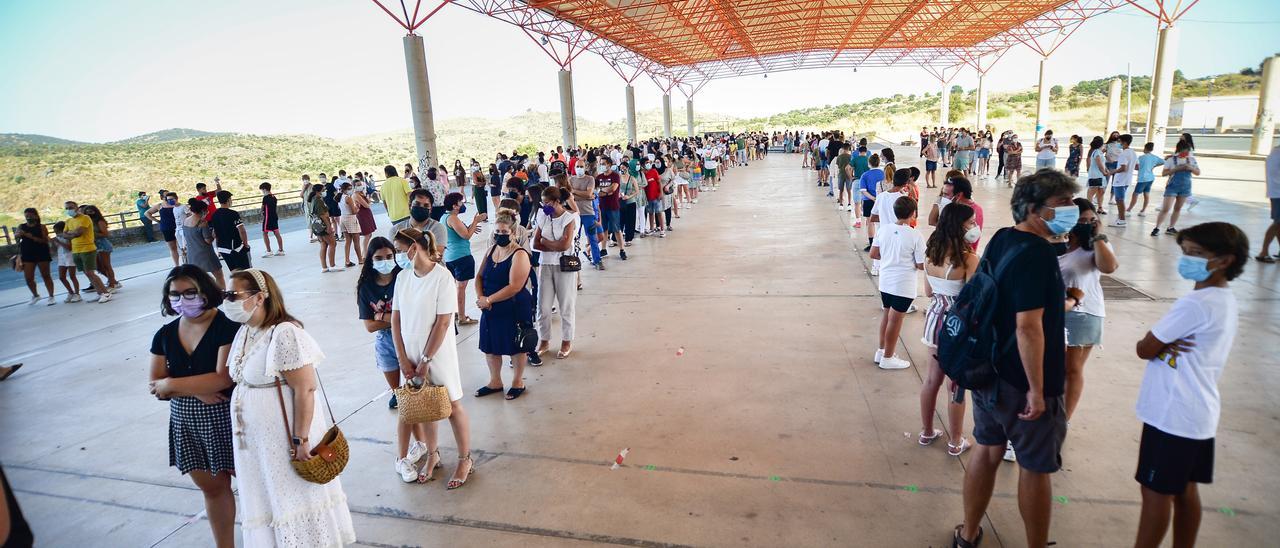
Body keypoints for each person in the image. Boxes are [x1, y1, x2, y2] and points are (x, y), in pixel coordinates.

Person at [954, 170, 1081, 548]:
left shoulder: (1002, 239)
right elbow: (1028, 327)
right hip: (1024, 381)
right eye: (1062, 205)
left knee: (986, 450)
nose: (1070, 211)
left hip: (988, 370)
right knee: (1035, 467)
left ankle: (969, 533)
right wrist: (1037, 390)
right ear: (1031, 209)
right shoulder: (1039, 255)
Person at [1132, 222, 1246, 548]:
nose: (1187, 260)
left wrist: (1159, 346)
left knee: (1155, 492)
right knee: (1184, 489)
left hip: (1172, 413)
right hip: (1198, 414)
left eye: (1196, 254)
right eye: (1185, 252)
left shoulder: (1194, 304)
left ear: (1225, 260)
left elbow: (1144, 349)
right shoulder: (1223, 299)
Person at [223, 268, 357, 544]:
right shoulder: (245, 332)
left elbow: (305, 389)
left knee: (294, 499)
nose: (227, 300)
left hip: (284, 441)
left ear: (260, 297)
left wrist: (301, 439)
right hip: (257, 446)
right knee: (270, 501)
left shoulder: (284, 333)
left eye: (233, 295)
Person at [147, 265, 239, 548]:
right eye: (175, 294)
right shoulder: (164, 334)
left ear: (206, 292)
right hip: (188, 423)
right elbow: (155, 384)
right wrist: (197, 391)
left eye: (190, 292)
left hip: (228, 420)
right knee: (213, 490)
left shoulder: (227, 328)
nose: (182, 299)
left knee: (255, 487)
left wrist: (175, 385)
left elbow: (221, 378)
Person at [391, 228, 476, 489]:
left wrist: (425, 360)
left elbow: (443, 322)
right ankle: (432, 454)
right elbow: (396, 319)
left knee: (451, 404)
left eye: (399, 249)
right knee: (426, 407)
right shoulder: (403, 277)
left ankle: (464, 459)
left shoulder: (442, 277)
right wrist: (403, 358)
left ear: (414, 247)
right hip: (410, 352)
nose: (397, 256)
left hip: (436, 353)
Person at [356, 237, 435, 482]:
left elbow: (413, 314)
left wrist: (385, 314)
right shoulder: (365, 286)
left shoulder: (406, 277)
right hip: (386, 343)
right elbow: (369, 325)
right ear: (370, 260)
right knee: (403, 398)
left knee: (411, 397)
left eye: (389, 256)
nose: (385, 262)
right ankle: (420, 443)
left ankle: (407, 453)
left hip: (410, 341)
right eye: (378, 258)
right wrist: (393, 317)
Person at [920, 203, 979, 456]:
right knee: (956, 385)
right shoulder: (968, 259)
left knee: (932, 379)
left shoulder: (930, 253)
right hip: (958, 325)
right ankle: (956, 441)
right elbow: (975, 298)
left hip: (934, 319)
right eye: (971, 223)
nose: (975, 227)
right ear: (960, 226)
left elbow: (929, 292)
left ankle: (926, 431)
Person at [1058, 198, 1118, 422]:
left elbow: (1109, 267)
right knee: (1053, 370)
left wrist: (1099, 237)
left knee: (1071, 370)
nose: (1089, 224)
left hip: (1083, 313)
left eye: (1093, 219)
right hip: (1058, 310)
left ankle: (1063, 421)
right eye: (1082, 220)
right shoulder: (1059, 242)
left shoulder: (1096, 245)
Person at [475, 212, 536, 400]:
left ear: (513, 232)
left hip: (513, 305)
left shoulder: (519, 254)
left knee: (516, 345)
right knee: (490, 345)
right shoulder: (491, 250)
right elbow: (479, 276)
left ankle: (518, 382)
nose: (499, 235)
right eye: (497, 231)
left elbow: (515, 286)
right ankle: (495, 381)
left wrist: (489, 300)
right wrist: (481, 298)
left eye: (504, 232)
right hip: (490, 306)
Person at [869, 195, 923, 371]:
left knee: (887, 316)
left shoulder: (883, 230)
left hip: (886, 281)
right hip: (903, 284)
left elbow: (873, 254)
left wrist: (890, 258)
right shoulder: (915, 235)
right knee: (895, 321)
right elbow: (921, 264)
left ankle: (881, 350)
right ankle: (888, 357)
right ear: (913, 213)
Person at [532, 187, 579, 359]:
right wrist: (551, 244)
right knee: (543, 306)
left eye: (547, 203)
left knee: (566, 305)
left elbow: (564, 246)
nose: (545, 206)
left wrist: (546, 242)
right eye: (543, 203)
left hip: (564, 266)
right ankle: (544, 339)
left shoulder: (569, 218)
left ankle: (567, 340)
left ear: (557, 202)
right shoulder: (542, 216)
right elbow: (535, 244)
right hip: (545, 265)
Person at [443, 192, 486, 325]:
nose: (462, 204)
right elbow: (466, 236)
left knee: (455, 287)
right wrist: (476, 221)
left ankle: (456, 312)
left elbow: (460, 232)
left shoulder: (445, 217)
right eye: (461, 202)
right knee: (461, 288)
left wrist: (471, 227)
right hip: (461, 256)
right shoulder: (453, 218)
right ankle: (462, 317)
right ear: (455, 205)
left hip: (450, 256)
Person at [62, 201, 111, 302]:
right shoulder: (68, 221)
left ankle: (105, 293)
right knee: (87, 273)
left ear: (76, 207)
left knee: (91, 272)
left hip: (87, 249)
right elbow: (64, 235)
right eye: (66, 208)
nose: (69, 210)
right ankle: (99, 292)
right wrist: (72, 233)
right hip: (76, 250)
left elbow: (79, 233)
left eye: (71, 207)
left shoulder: (85, 218)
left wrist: (71, 233)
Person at [1151, 140, 1201, 237]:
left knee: (1178, 208)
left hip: (1185, 187)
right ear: (1179, 150)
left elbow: (1198, 172)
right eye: (1184, 151)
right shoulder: (1171, 160)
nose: (1186, 153)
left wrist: (1190, 167)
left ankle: (1171, 227)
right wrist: (1175, 169)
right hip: (1172, 187)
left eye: (1187, 151)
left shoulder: (1191, 160)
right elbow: (1164, 173)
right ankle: (1156, 228)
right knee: (1166, 208)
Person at [15, 208, 55, 306]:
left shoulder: (42, 227)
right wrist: (17, 235)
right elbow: (17, 237)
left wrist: (29, 236)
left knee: (46, 275)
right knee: (28, 278)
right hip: (27, 253)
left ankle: (51, 296)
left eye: (30, 215)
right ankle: (36, 295)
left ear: (36, 216)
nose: (28, 217)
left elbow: (44, 240)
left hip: (42, 253)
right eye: (26, 215)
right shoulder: (21, 226)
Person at [182, 200, 226, 289]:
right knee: (219, 276)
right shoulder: (202, 223)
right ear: (203, 210)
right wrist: (213, 235)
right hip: (206, 254)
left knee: (198, 279)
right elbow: (208, 240)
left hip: (192, 254)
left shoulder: (186, 221)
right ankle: (222, 294)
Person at [568, 161, 603, 268]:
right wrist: (585, 196)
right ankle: (574, 262)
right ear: (574, 167)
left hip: (588, 213)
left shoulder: (590, 179)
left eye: (581, 166)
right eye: (577, 166)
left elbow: (589, 193)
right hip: (574, 214)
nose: (579, 168)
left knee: (593, 238)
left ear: (585, 167)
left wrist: (574, 192)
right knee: (574, 239)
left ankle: (597, 261)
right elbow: (569, 197)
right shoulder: (570, 179)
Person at [210, 191, 252, 272]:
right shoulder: (233, 214)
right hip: (236, 248)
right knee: (247, 272)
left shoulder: (215, 215)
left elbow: (214, 234)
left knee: (234, 272)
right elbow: (242, 230)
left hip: (223, 249)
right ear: (228, 200)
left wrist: (218, 248)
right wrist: (245, 244)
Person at [84, 205, 121, 290]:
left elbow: (105, 234)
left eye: (91, 211)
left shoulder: (99, 221)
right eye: (87, 212)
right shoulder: (88, 222)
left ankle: (112, 284)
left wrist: (92, 234)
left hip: (102, 245)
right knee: (99, 266)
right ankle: (112, 281)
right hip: (94, 246)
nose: (89, 213)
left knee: (107, 265)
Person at [596, 157, 626, 260]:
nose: (602, 165)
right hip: (601, 207)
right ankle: (603, 249)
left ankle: (622, 249)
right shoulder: (599, 177)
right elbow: (597, 192)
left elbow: (613, 188)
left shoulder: (615, 176)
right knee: (604, 229)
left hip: (613, 206)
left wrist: (602, 191)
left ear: (609, 164)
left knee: (617, 229)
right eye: (601, 164)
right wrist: (606, 191)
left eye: (604, 163)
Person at [309, 183, 339, 273]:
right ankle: (332, 265)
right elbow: (322, 215)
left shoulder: (313, 200)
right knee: (332, 243)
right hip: (323, 225)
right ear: (318, 191)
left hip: (317, 226)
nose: (325, 191)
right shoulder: (318, 200)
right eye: (323, 190)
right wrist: (329, 226)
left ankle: (324, 266)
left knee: (323, 244)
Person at [1109, 134, 1137, 227]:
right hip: (1127, 179)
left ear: (1124, 142)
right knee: (1120, 199)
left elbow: (1123, 168)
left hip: (1120, 180)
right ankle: (1120, 218)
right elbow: (1137, 166)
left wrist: (1113, 171)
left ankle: (1122, 220)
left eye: (1119, 141)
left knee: (1119, 200)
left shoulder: (1123, 154)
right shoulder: (1132, 152)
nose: (1118, 143)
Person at [1129, 142, 1163, 219]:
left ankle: (1129, 209)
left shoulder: (1141, 158)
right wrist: (1154, 166)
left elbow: (1136, 166)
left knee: (1135, 194)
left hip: (1142, 178)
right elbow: (1163, 162)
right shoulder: (1154, 157)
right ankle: (1143, 210)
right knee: (1146, 194)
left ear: (1145, 148)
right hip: (1150, 178)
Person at [148, 191, 183, 266]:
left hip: (179, 227)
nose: (168, 197)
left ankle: (186, 263)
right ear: (162, 197)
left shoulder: (175, 204)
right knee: (173, 247)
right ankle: (177, 265)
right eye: (166, 195)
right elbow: (147, 213)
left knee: (183, 246)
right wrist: (157, 221)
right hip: (167, 228)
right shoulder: (159, 205)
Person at [51, 221, 81, 302]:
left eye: (57, 231)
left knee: (72, 276)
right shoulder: (57, 237)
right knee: (61, 277)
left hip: (70, 256)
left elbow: (70, 248)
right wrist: (52, 243)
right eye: (55, 231)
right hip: (61, 257)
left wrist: (59, 242)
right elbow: (53, 250)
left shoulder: (68, 236)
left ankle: (77, 294)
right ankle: (71, 293)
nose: (55, 233)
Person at [859, 154, 884, 247]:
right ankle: (882, 242)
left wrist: (873, 198)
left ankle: (872, 243)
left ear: (869, 163)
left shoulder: (865, 175)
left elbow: (863, 191)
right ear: (879, 162)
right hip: (882, 200)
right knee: (882, 221)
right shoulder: (884, 173)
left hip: (869, 201)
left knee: (870, 222)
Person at [1260, 144, 1280, 263]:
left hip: (1275, 192)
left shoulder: (1275, 152)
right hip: (1278, 193)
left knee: (1278, 224)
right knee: (1277, 223)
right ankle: (1263, 252)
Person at [338, 182, 364, 268]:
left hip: (343, 218)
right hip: (351, 219)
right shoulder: (348, 198)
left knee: (347, 241)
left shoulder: (339, 197)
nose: (351, 190)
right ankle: (360, 259)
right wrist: (358, 207)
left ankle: (347, 260)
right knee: (356, 241)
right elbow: (353, 211)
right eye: (349, 189)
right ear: (345, 189)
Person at [258, 182, 284, 257]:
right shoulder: (274, 197)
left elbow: (262, 208)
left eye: (262, 190)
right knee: (277, 233)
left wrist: (261, 213)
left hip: (267, 218)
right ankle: (281, 250)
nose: (262, 192)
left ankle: (269, 251)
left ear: (265, 189)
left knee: (265, 233)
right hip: (274, 217)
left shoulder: (265, 198)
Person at [1085, 135, 1110, 214]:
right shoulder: (1096, 152)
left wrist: (1106, 170)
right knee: (1092, 192)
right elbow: (1099, 164)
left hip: (1100, 176)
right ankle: (1089, 208)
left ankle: (1100, 207)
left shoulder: (1099, 152)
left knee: (1101, 191)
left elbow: (1102, 163)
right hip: (1096, 175)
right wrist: (1104, 172)